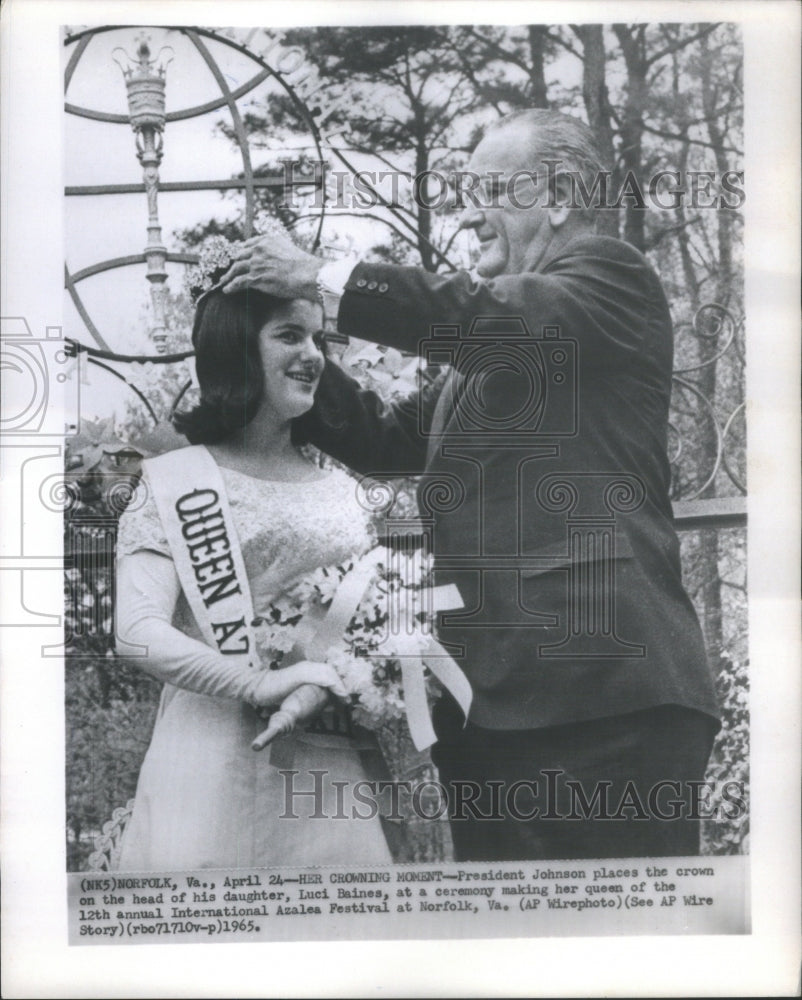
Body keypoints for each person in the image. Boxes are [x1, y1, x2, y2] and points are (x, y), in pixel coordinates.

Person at [221, 108, 722, 861]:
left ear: (558, 196)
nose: (465, 213)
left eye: (487, 188)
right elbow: (383, 437)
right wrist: (286, 344)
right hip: (491, 712)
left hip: (604, 700)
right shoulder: (480, 352)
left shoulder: (609, 280)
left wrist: (318, 275)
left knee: (623, 952)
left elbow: (482, 316)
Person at [114, 282, 393, 871]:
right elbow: (137, 631)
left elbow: (373, 623)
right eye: (289, 335)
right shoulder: (175, 481)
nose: (314, 353)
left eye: (318, 337)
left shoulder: (347, 491)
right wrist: (252, 684)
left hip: (329, 775)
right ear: (235, 349)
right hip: (208, 766)